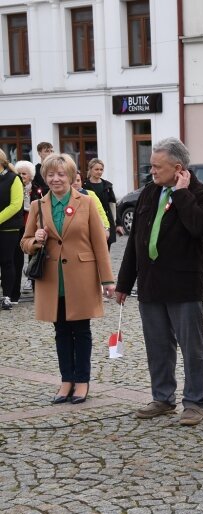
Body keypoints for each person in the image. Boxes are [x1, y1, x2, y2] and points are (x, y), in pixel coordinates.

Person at [116, 138, 203, 426]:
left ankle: (195, 403)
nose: (152, 172)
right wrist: (124, 283)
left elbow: (199, 227)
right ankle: (162, 397)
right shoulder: (150, 192)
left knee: (191, 348)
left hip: (183, 285)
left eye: (157, 167)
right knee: (158, 346)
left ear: (178, 168)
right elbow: (136, 242)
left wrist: (182, 194)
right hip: (151, 284)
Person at [20, 153, 115, 404]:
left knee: (81, 331)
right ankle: (66, 381)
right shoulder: (39, 205)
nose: (55, 179)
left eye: (61, 174)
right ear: (45, 177)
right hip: (52, 279)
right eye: (50, 174)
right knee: (61, 331)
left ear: (71, 176)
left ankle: (82, 381)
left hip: (81, 276)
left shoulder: (86, 203)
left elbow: (99, 243)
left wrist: (107, 280)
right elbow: (24, 242)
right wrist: (36, 240)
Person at [0, 150, 24, 310]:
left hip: (8, 229)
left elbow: (16, 204)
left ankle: (7, 296)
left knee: (7, 262)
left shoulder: (13, 178)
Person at [82, 158, 120, 249]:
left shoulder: (107, 186)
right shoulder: (84, 186)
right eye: (96, 169)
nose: (99, 172)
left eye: (101, 169)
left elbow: (113, 205)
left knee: (106, 249)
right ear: (90, 170)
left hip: (106, 221)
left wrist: (118, 223)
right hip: (90, 220)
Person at [13, 161, 34, 297]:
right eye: (19, 173)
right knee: (17, 258)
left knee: (34, 257)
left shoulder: (36, 189)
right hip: (18, 226)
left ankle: (32, 283)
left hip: (33, 227)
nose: (21, 176)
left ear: (30, 176)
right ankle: (15, 290)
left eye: (24, 173)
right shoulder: (14, 187)